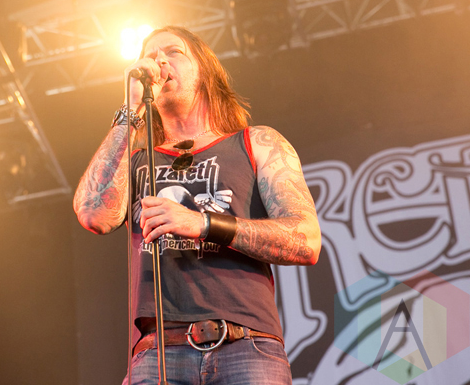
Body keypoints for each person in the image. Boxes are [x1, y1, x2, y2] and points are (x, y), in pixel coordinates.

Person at [73, 25, 321, 385]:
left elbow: (306, 240)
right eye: (150, 54)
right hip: (158, 354)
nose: (158, 61)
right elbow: (93, 213)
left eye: (173, 52)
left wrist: (203, 224)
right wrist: (130, 111)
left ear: (204, 71)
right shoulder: (135, 161)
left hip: (245, 348)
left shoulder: (256, 143)